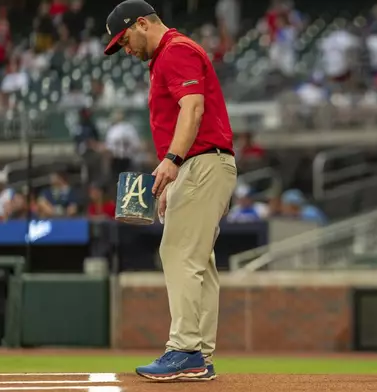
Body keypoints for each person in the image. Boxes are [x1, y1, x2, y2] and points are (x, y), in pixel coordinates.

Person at [103, 0, 237, 381]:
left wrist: (174, 160)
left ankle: (185, 350)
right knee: (199, 262)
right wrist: (173, 173)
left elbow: (192, 108)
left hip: (200, 162)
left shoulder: (175, 50)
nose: (125, 49)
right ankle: (199, 354)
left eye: (125, 39)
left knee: (178, 252)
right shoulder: (168, 55)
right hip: (202, 164)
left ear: (142, 23)